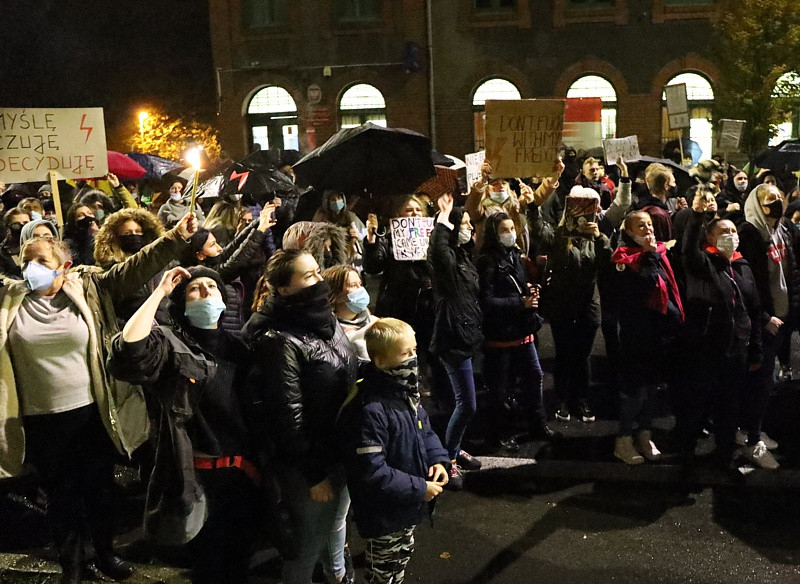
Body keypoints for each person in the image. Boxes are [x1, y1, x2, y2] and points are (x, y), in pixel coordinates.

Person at [0, 213, 197, 584]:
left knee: (99, 489)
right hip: (40, 419)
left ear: (65, 266)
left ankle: (105, 553)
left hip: (91, 412)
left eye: (41, 261)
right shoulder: (8, 298)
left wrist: (175, 238)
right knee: (61, 497)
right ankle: (72, 563)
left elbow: (136, 268)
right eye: (26, 261)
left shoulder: (89, 286)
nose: (31, 268)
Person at [107, 266, 265, 583]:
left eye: (212, 286)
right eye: (195, 289)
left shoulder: (239, 347)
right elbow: (131, 349)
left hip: (242, 475)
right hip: (197, 478)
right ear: (182, 303)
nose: (206, 292)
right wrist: (160, 292)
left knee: (239, 559)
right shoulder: (170, 346)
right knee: (208, 564)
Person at [242, 250, 358, 584]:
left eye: (318, 272)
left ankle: (336, 573)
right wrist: (314, 474)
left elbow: (343, 368)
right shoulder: (279, 341)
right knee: (306, 546)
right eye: (308, 276)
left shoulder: (326, 318)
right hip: (309, 464)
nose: (319, 281)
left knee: (336, 521)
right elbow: (287, 419)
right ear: (283, 290)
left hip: (340, 449)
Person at [337, 318, 449, 584]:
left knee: (401, 558)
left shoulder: (405, 392)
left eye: (414, 351)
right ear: (381, 362)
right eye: (404, 353)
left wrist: (438, 459)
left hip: (405, 506)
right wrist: (421, 489)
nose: (412, 359)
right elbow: (372, 471)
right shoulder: (372, 409)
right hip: (384, 514)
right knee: (383, 572)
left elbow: (424, 430)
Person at [678, 195, 772, 470]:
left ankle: (724, 452)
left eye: (733, 231)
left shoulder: (742, 266)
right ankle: (687, 454)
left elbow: (752, 311)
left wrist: (754, 348)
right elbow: (688, 252)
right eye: (723, 232)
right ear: (710, 237)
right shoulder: (704, 263)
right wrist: (697, 216)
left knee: (729, 405)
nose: (730, 235)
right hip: (707, 347)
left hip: (736, 349)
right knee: (699, 402)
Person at [530, 185, 612, 424]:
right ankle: (563, 399)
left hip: (588, 304)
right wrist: (533, 205)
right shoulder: (558, 234)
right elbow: (537, 230)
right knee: (565, 353)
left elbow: (609, 261)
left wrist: (599, 237)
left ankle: (582, 399)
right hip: (563, 303)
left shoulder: (597, 235)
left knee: (582, 355)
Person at [610, 211, 684, 464]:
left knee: (652, 388)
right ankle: (623, 439)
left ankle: (644, 434)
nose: (648, 230)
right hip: (636, 335)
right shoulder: (623, 259)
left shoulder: (659, 254)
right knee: (634, 390)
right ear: (628, 231)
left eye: (650, 225)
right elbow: (643, 287)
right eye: (640, 226)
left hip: (657, 334)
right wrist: (650, 256)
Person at [476, 212, 553, 451]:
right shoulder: (487, 261)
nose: (510, 233)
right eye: (504, 229)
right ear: (493, 234)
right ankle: (498, 435)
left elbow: (516, 286)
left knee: (534, 377)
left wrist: (529, 290)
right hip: (500, 335)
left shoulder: (514, 256)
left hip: (522, 331)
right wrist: (521, 303)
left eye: (511, 228)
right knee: (500, 390)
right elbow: (486, 301)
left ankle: (537, 425)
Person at [428, 194, 483, 489]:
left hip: (466, 335)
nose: (471, 228)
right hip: (453, 340)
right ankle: (448, 457)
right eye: (466, 224)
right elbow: (438, 252)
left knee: (463, 403)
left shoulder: (463, 257)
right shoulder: (445, 264)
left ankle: (453, 448)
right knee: (467, 405)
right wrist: (443, 220)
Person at [465, 159, 562, 254]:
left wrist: (553, 177)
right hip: (492, 258)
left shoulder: (515, 205)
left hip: (518, 256)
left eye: (503, 183)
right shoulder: (483, 209)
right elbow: (472, 205)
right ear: (487, 189)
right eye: (495, 184)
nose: (501, 186)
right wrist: (483, 180)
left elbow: (536, 198)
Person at [323, 264, 377, 361]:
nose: (360, 289)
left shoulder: (374, 322)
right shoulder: (331, 334)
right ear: (335, 294)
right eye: (353, 285)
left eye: (360, 284)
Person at [0, 207, 31, 277]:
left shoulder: (39, 244)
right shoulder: (2, 252)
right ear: (8, 226)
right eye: (16, 224)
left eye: (26, 223)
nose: (22, 227)